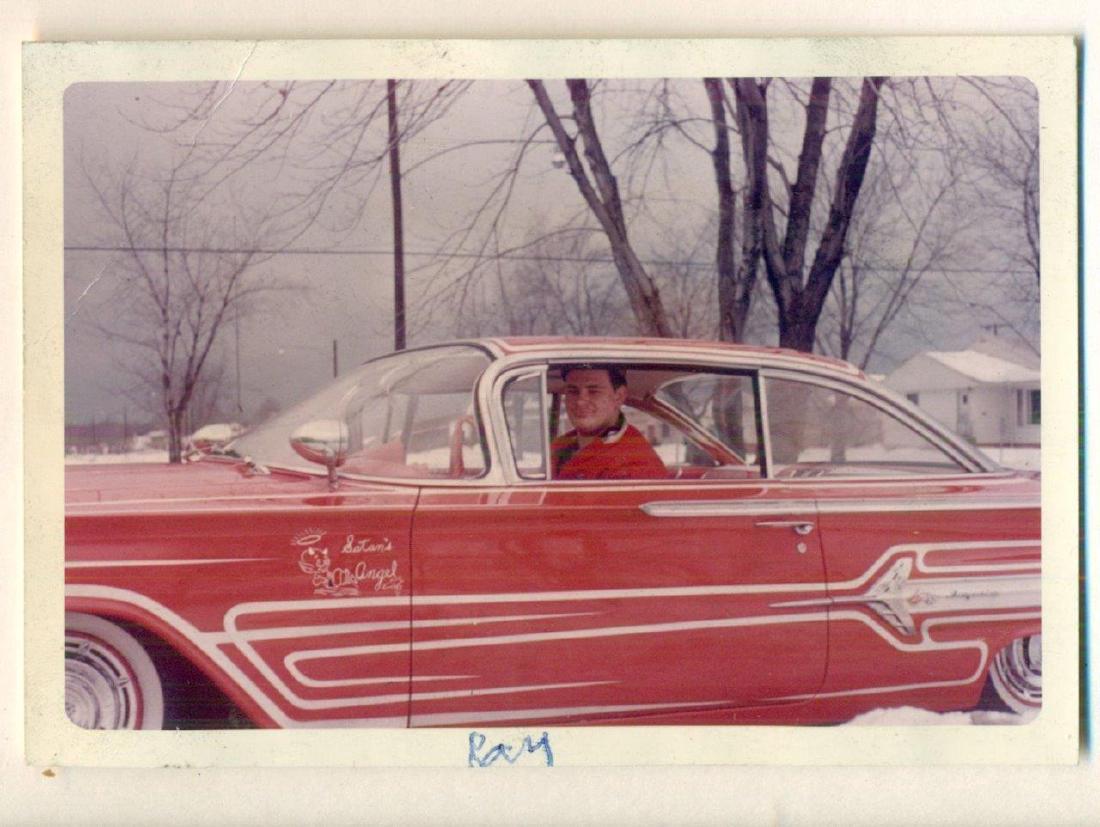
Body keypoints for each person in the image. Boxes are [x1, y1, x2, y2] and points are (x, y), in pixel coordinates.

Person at [551, 364, 668, 480]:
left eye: (593, 391)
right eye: (573, 391)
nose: (580, 402)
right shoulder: (562, 445)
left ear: (619, 396)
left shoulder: (635, 465)